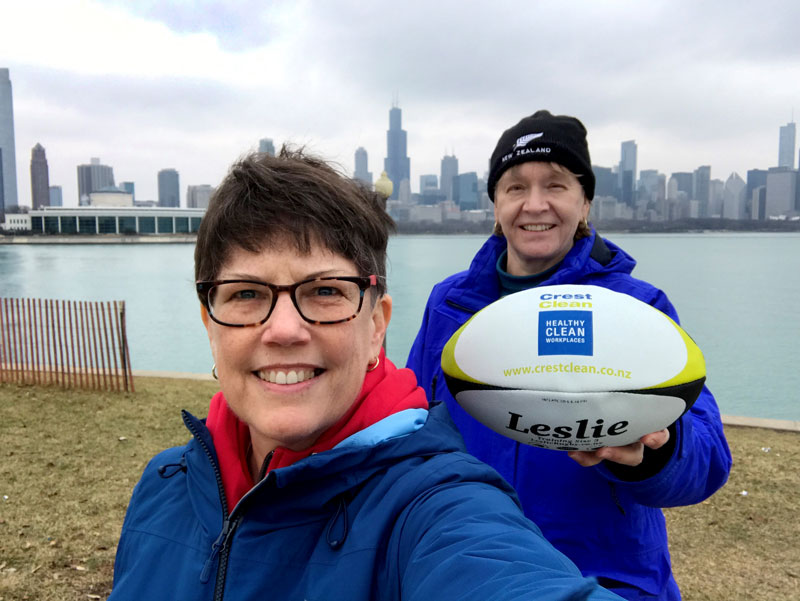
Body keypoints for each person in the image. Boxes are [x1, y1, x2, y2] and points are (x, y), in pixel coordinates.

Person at [109, 147, 624, 600]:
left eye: (325, 290)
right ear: (210, 325)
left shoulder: (427, 508)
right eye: (246, 293)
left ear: (376, 325)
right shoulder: (164, 487)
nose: (283, 330)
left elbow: (495, 569)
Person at [407, 111, 732, 601]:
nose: (534, 204)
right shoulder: (449, 305)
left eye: (556, 184)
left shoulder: (637, 307)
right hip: (469, 573)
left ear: (585, 204)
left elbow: (707, 461)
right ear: (496, 204)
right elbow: (412, 426)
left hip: (605, 579)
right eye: (515, 187)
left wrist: (653, 452)